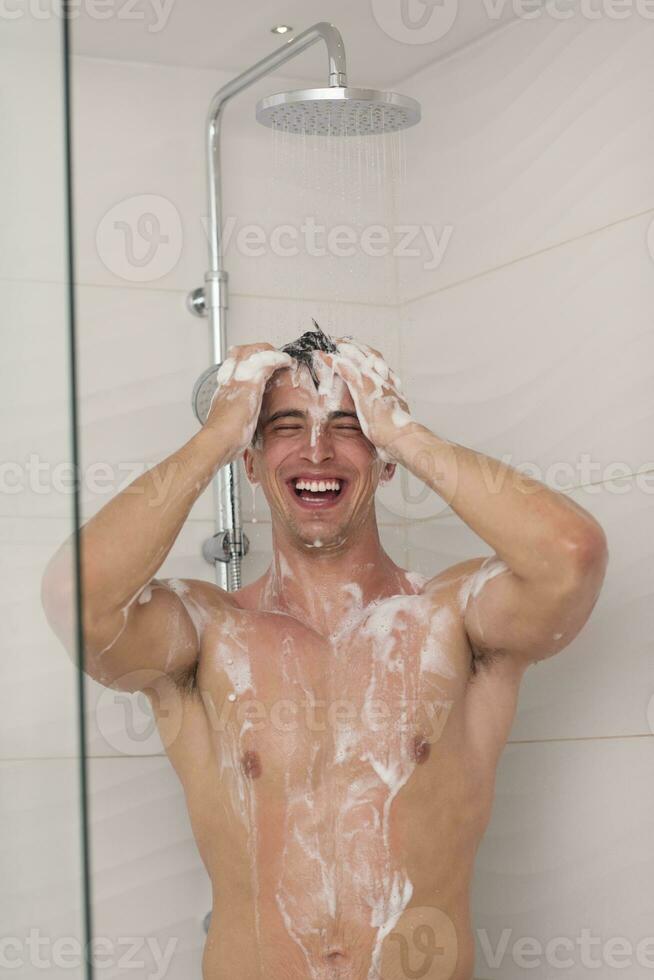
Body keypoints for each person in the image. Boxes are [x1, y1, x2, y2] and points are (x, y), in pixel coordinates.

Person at [41, 324, 608, 980]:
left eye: (347, 425)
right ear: (250, 463)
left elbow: (572, 557)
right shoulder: (206, 634)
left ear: (386, 460)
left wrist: (401, 429)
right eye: (285, 426)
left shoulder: (454, 622)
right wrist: (218, 436)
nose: (317, 448)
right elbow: (76, 596)